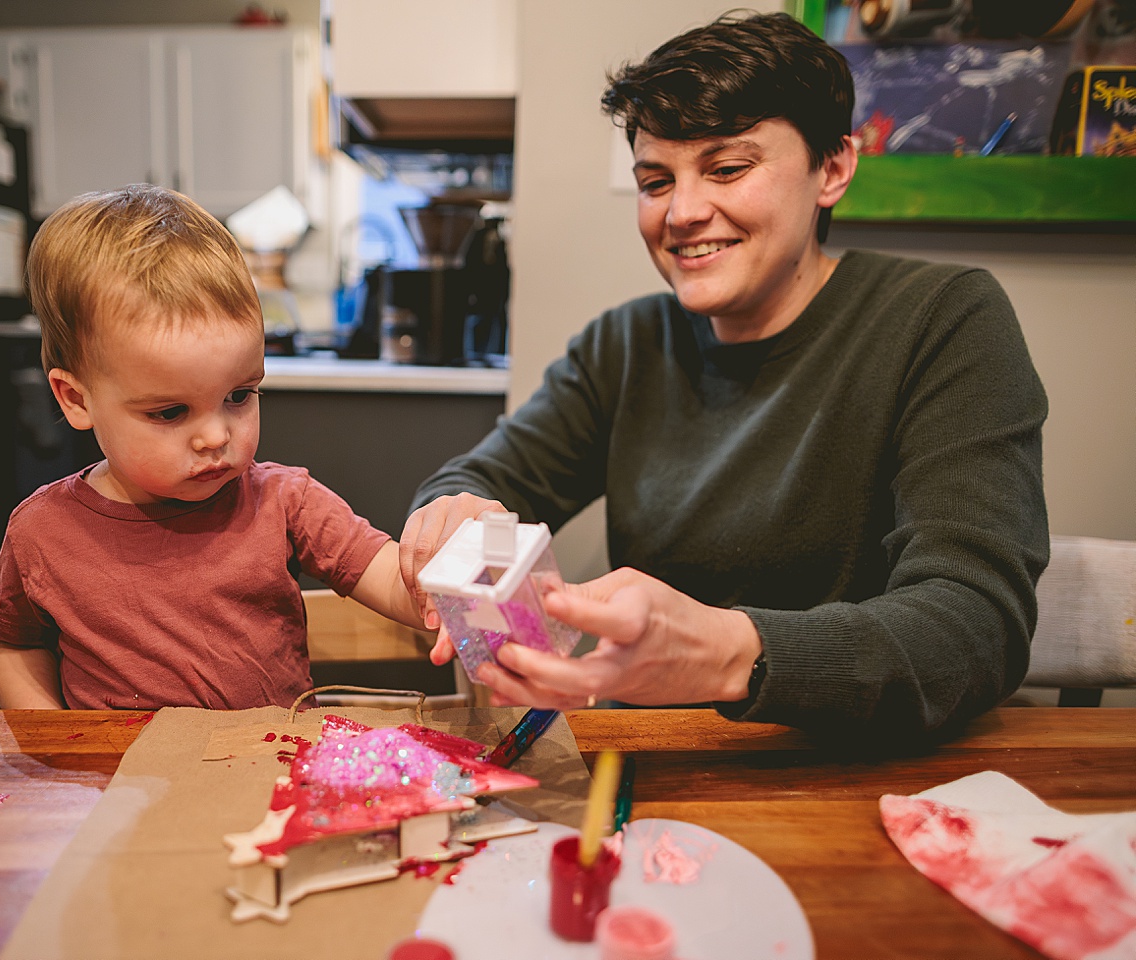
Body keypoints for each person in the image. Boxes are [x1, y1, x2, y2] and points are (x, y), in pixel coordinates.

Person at [399, 12, 1048, 742]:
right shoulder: (625, 343)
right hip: (659, 773)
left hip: (867, 773)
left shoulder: (943, 319)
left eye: (728, 168)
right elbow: (477, 480)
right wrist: (457, 510)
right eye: (655, 181)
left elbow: (975, 623)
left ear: (832, 168)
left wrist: (731, 653)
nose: (682, 212)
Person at [0, 184, 422, 710]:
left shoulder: (285, 502)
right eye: (169, 412)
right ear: (77, 399)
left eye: (239, 396)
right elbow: (13, 643)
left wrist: (465, 599)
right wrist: (52, 740)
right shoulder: (42, 532)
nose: (217, 436)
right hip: (115, 786)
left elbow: (394, 580)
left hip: (266, 780)